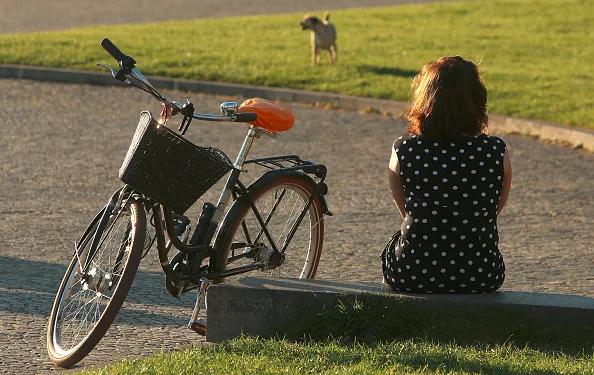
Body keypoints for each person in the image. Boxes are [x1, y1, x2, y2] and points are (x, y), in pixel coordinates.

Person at [383, 56, 512, 293]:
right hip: (481, 273)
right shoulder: (495, 150)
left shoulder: (404, 148)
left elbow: (406, 209)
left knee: (400, 238)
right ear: (477, 101)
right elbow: (494, 206)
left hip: (411, 272)